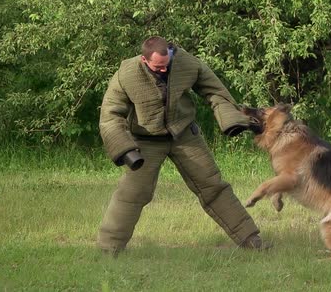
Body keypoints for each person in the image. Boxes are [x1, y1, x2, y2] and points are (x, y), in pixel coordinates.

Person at [97, 36, 268, 255]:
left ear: (169, 54)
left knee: (213, 186)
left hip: (184, 133)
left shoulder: (187, 63)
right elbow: (110, 116)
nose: (162, 71)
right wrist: (125, 148)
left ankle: (250, 239)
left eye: (165, 65)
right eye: (157, 67)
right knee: (133, 193)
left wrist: (232, 120)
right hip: (146, 140)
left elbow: (214, 91)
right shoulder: (126, 75)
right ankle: (108, 249)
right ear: (144, 60)